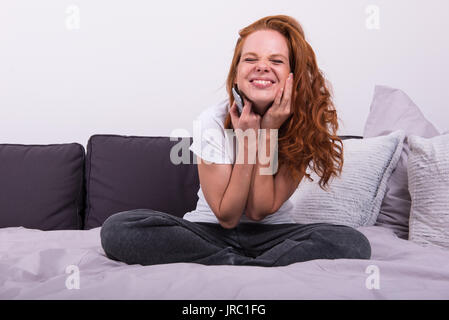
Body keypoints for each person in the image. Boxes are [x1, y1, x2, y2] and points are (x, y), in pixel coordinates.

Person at [100, 15, 371, 267]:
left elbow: (258, 210)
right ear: (237, 71)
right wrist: (246, 141)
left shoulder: (304, 125)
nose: (262, 66)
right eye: (250, 59)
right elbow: (227, 217)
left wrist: (267, 132)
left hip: (273, 234)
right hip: (209, 232)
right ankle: (249, 264)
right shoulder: (212, 121)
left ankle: (229, 263)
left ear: (293, 75)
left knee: (352, 241)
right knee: (117, 229)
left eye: (276, 61)